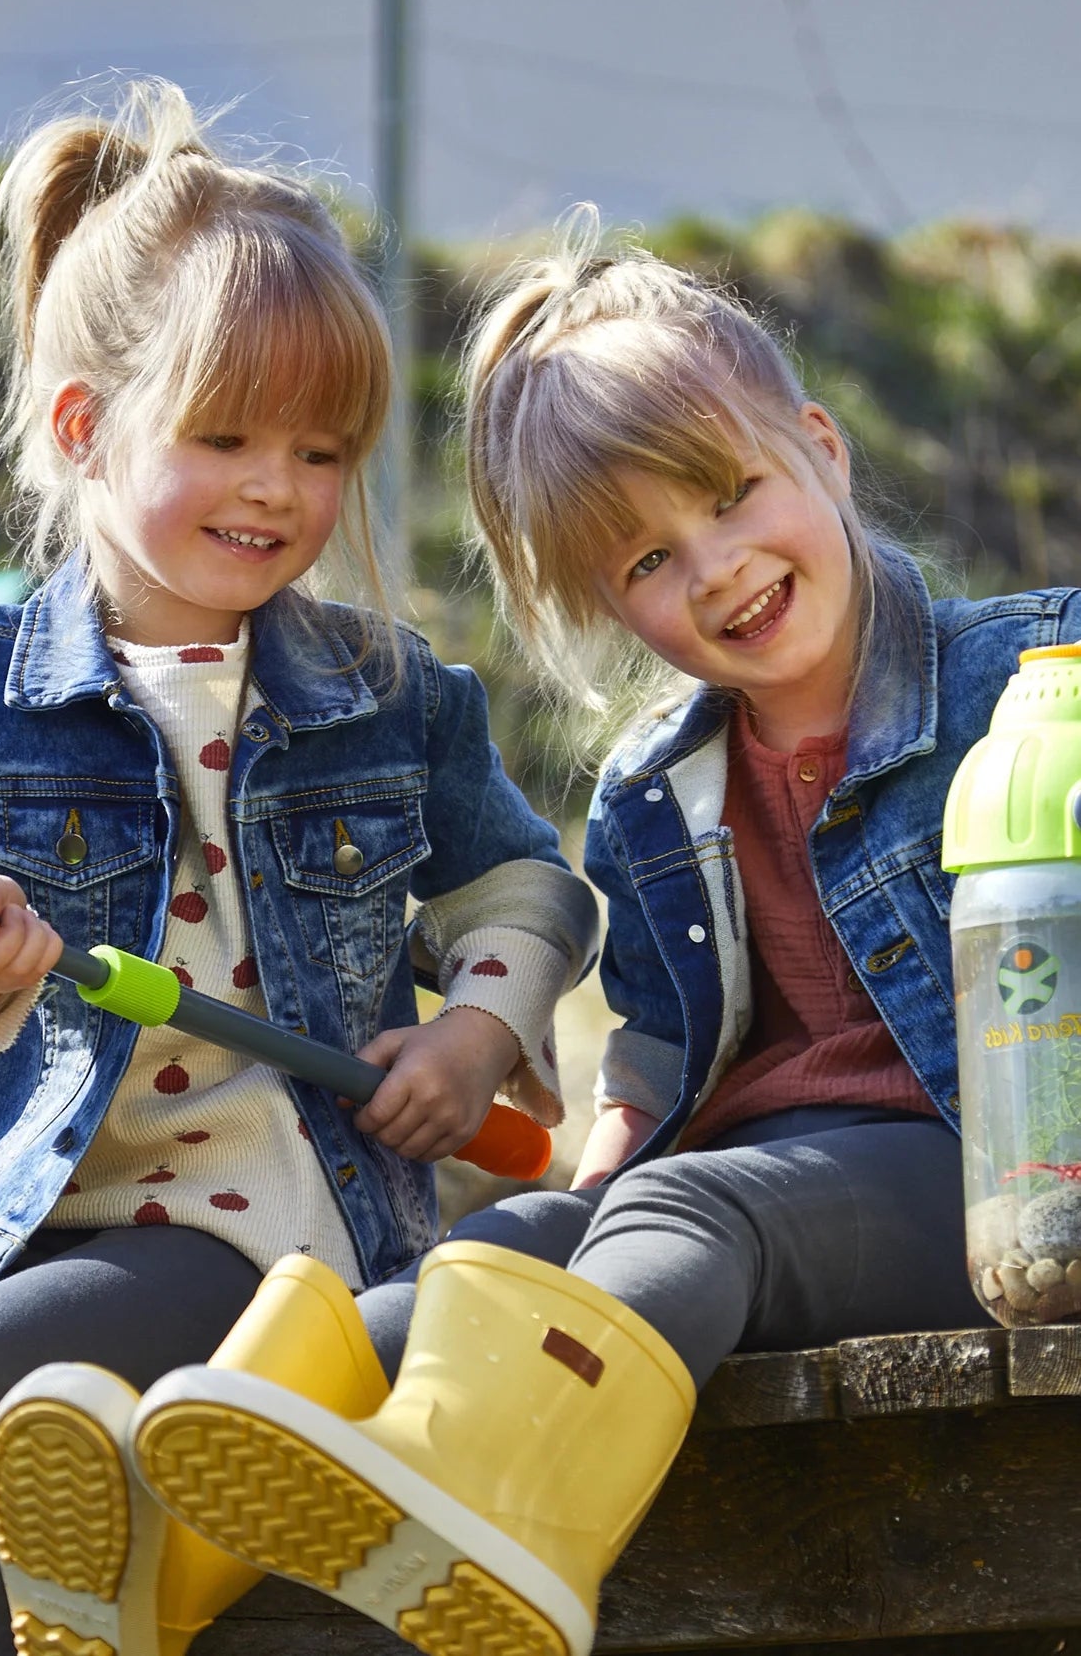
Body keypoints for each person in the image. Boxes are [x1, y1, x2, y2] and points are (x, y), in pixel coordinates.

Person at [0, 84, 596, 1656]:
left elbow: (527, 892)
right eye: (224, 435)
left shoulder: (387, 696)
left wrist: (474, 1036)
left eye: (322, 453)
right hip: (26, 1224)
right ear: (82, 425)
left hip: (268, 1231)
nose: (278, 489)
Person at [128, 211, 1081, 1656]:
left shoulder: (1032, 676)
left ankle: (501, 1525)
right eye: (642, 562)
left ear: (820, 450)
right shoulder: (653, 785)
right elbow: (656, 1042)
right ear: (604, 605)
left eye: (731, 493)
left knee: (682, 1215)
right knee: (500, 1249)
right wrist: (605, 1156)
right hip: (750, 1187)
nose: (711, 570)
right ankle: (168, 1543)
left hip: (991, 1180)